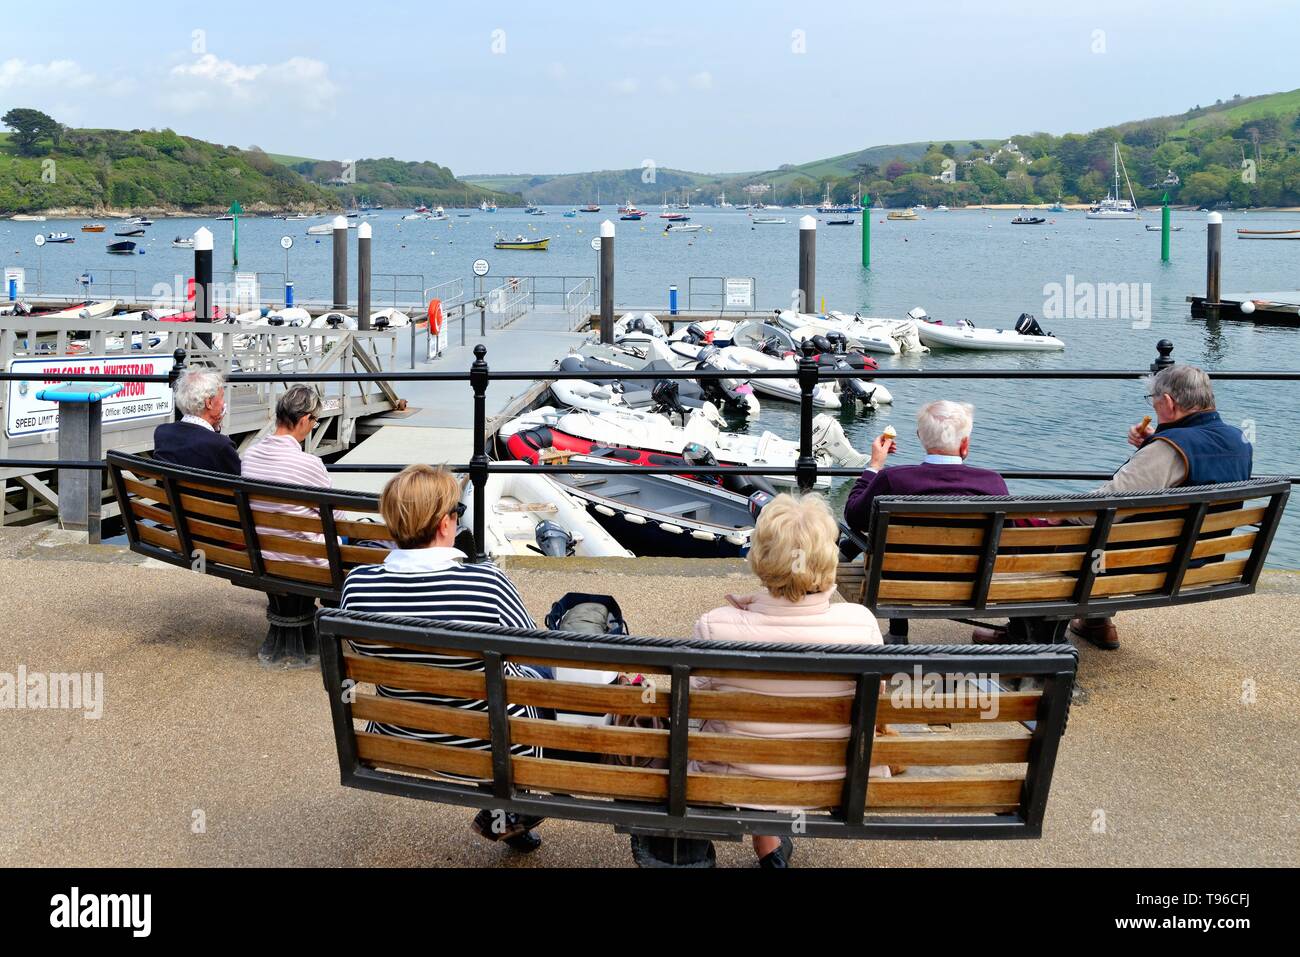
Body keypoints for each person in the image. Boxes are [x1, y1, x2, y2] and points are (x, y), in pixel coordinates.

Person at [342, 464, 554, 854]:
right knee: (544, 674)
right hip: (486, 745)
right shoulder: (487, 584)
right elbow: (528, 653)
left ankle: (508, 812)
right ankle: (510, 806)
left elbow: (362, 652)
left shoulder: (357, 588)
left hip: (399, 734)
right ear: (444, 524)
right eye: (457, 513)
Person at [690, 493, 890, 868]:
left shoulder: (716, 626)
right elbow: (876, 703)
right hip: (836, 778)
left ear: (761, 559)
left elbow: (695, 705)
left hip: (737, 778)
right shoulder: (861, 625)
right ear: (827, 558)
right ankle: (769, 845)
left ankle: (758, 842)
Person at [1069, 364, 1252, 650]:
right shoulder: (1239, 441)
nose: (1152, 406)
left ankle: (1028, 630)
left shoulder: (1168, 448)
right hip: (1202, 558)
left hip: (1154, 562)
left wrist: (1056, 516)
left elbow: (1105, 506)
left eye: (1152, 400)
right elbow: (1192, 462)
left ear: (1167, 402)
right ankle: (1095, 622)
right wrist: (1153, 444)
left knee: (1062, 534)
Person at [844, 400, 1011, 642]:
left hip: (903, 582)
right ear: (965, 444)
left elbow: (854, 516)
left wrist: (874, 466)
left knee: (881, 541)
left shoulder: (894, 479)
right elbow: (1009, 538)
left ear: (920, 437)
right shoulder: (992, 483)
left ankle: (899, 633)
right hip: (971, 583)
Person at [153, 369, 241, 474]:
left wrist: (214, 428)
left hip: (168, 490)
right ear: (209, 403)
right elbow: (240, 483)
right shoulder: (221, 446)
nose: (224, 403)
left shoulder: (162, 432)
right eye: (222, 397)